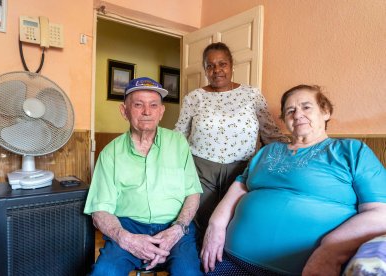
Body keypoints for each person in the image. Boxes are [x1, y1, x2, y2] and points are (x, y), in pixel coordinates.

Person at [201, 84, 386, 275]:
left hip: (302, 269)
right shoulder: (267, 151)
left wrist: (330, 250)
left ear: (325, 112)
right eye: (290, 110)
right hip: (229, 259)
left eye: (306, 107)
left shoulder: (351, 151)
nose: (297, 115)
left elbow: (381, 214)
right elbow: (240, 186)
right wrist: (216, 224)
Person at [84, 77, 203, 275]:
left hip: (175, 226)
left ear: (161, 111)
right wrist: (126, 238)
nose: (147, 112)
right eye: (138, 105)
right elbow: (99, 211)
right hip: (128, 227)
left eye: (153, 105)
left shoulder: (178, 143)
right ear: (124, 111)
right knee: (104, 272)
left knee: (187, 272)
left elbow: (193, 194)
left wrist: (178, 229)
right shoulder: (110, 153)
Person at [175, 42, 288, 235]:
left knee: (234, 224)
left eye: (222, 64)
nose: (216, 70)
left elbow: (270, 133)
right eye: (210, 66)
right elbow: (179, 134)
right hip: (201, 170)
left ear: (232, 65)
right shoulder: (195, 97)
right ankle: (200, 263)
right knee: (201, 224)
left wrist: (298, 149)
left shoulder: (252, 95)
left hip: (242, 170)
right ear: (205, 69)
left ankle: (227, 264)